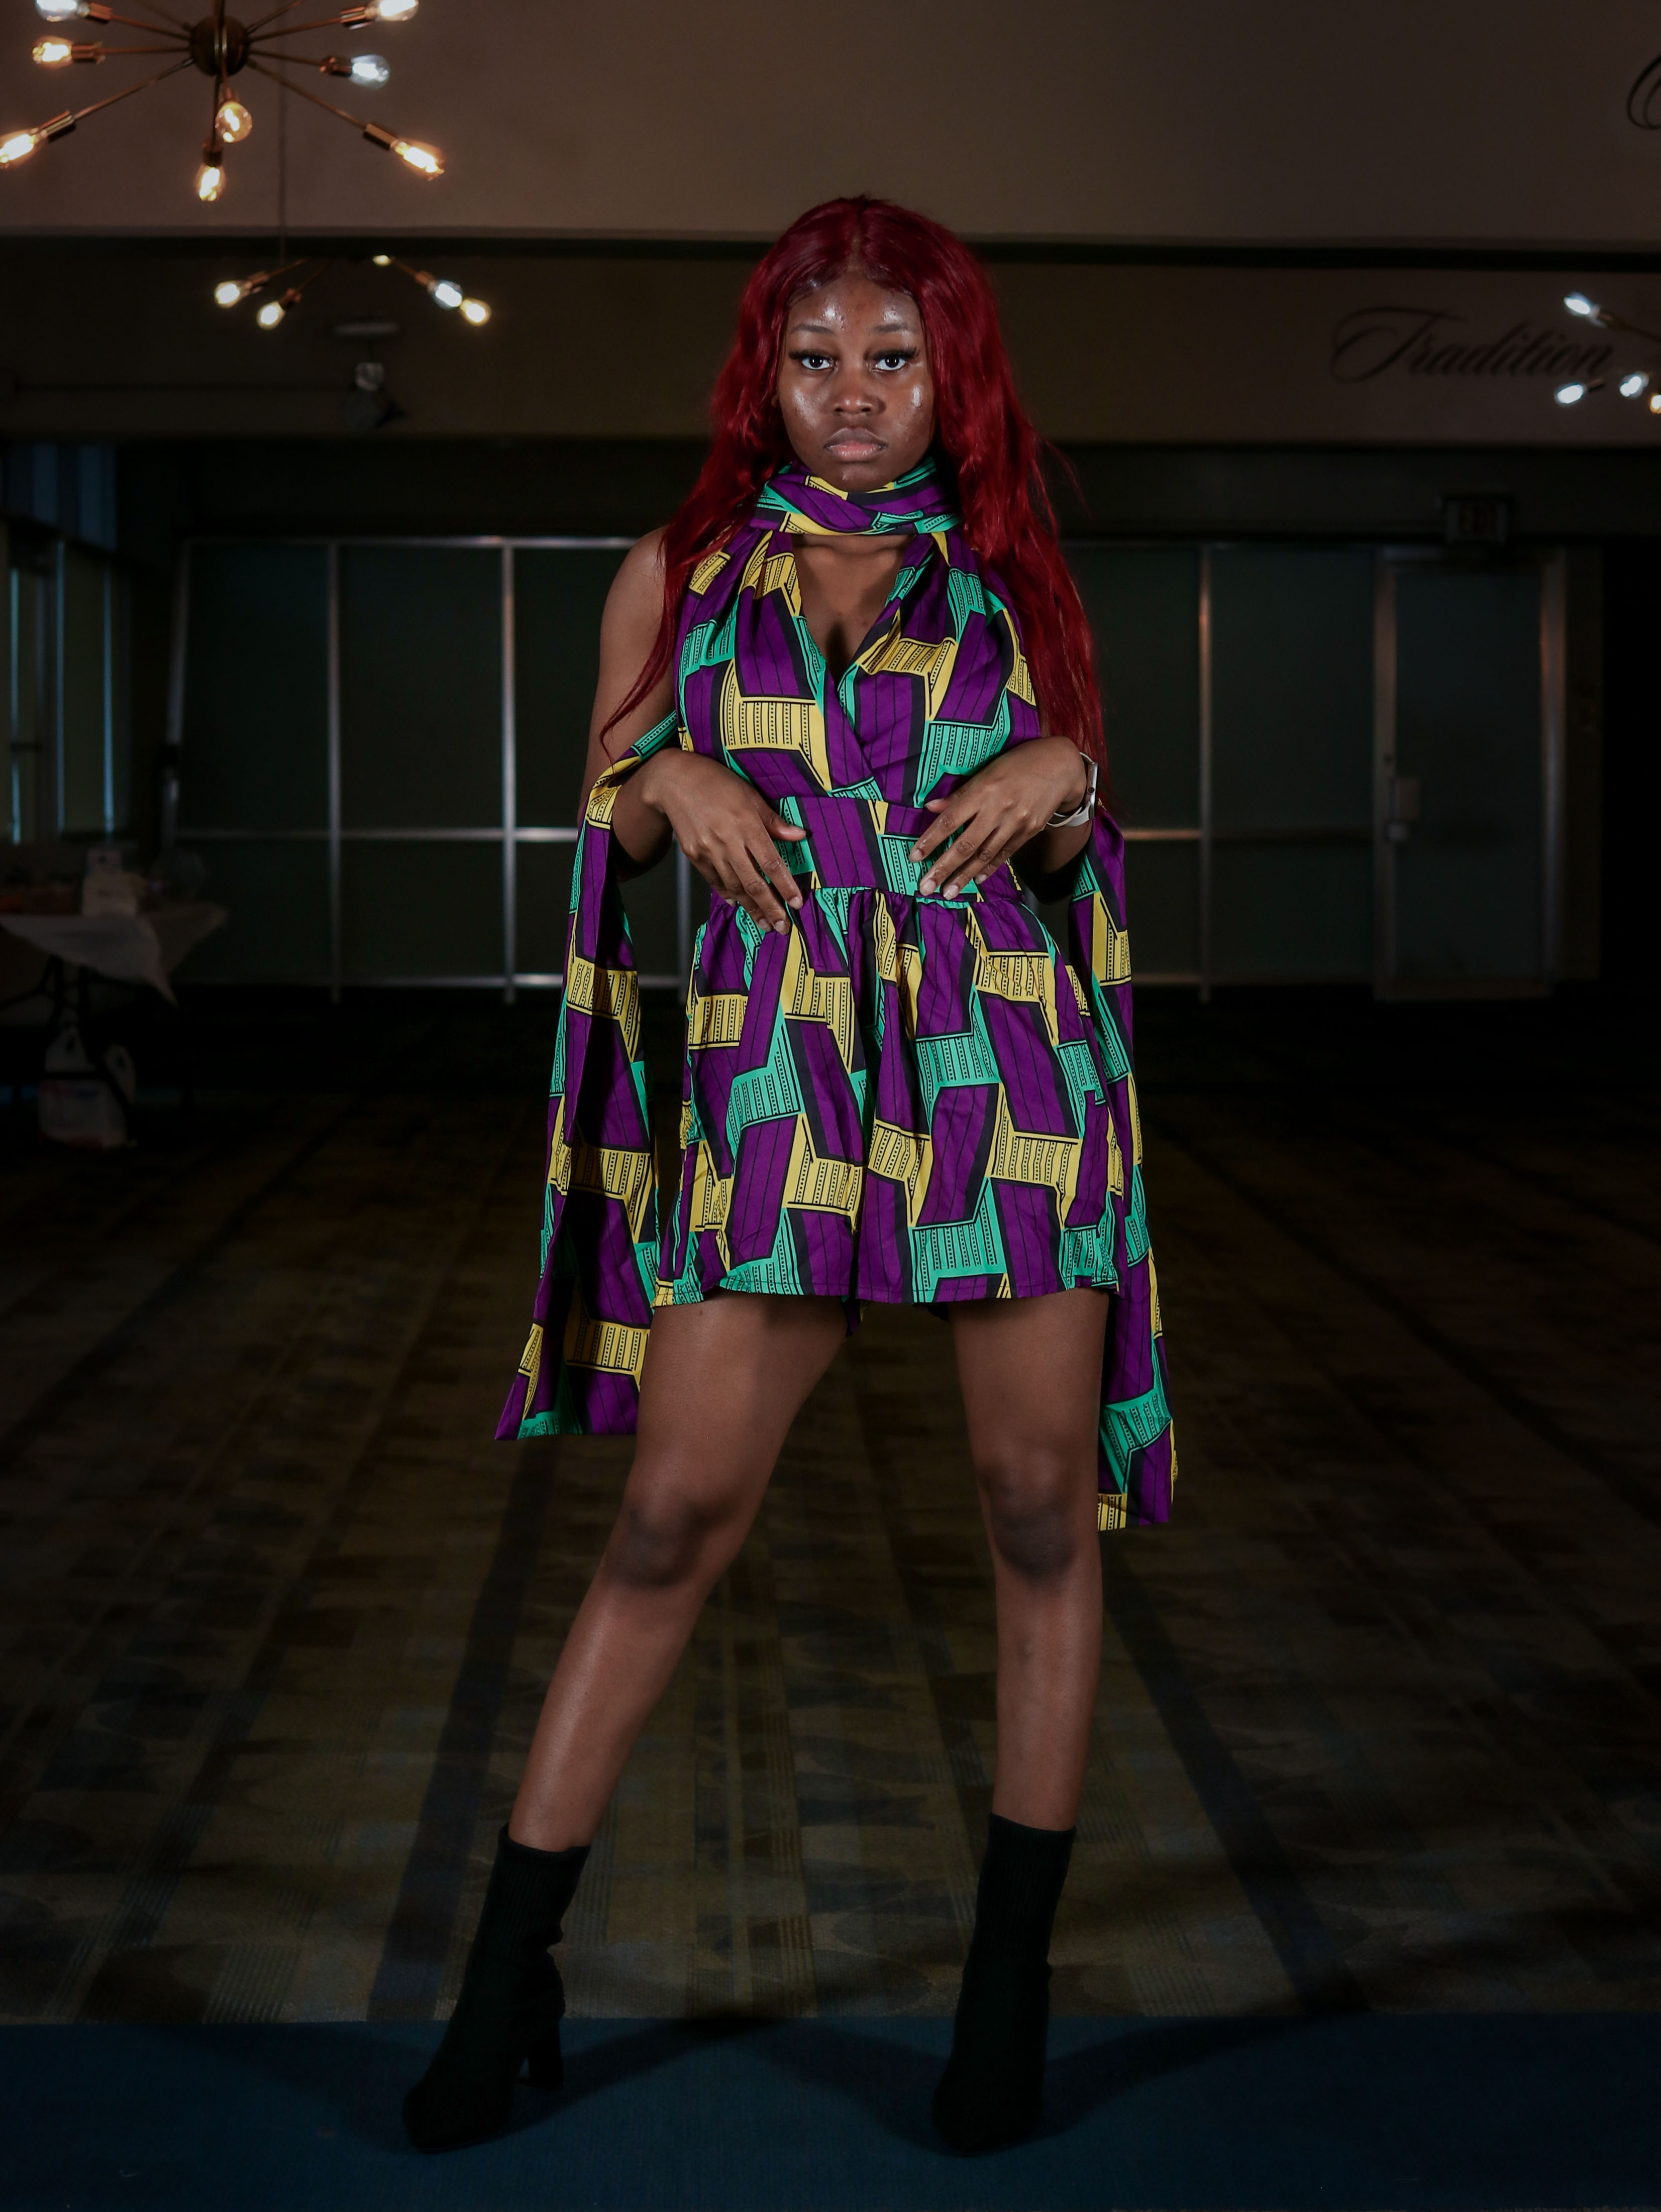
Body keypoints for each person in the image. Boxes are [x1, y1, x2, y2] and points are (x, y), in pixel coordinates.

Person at [403, 194, 1175, 2159]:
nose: (850, 395)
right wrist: (662, 774)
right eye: (814, 358)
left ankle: (1003, 1989)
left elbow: (1071, 843)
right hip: (774, 1083)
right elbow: (608, 812)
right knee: (668, 1514)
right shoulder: (675, 573)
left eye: (891, 360)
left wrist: (1067, 777)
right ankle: (508, 1972)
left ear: (950, 373)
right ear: (763, 370)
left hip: (1001, 1076)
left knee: (1034, 1512)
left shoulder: (1012, 572)